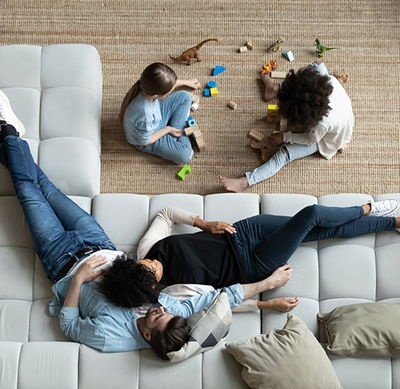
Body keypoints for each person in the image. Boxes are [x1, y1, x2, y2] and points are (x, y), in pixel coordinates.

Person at [0, 90, 297, 357]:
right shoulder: (170, 310)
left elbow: (69, 325)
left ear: (146, 334)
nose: (159, 308)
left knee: (28, 190)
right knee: (46, 187)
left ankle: (9, 132)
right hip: (98, 241)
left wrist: (79, 280)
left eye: (157, 317)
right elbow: (222, 297)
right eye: (164, 312)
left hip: (61, 260)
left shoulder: (110, 336)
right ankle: (8, 138)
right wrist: (267, 286)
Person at [99, 197, 400, 310]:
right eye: (150, 269)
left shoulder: (148, 249)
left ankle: (390, 221)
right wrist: (268, 290)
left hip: (242, 232)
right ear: (151, 286)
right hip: (255, 263)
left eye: (142, 261)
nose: (150, 261)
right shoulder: (173, 295)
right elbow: (220, 301)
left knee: (321, 229)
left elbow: (166, 214)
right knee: (313, 215)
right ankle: (374, 209)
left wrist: (204, 223)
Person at [219, 60, 355, 192]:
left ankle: (244, 182)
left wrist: (285, 136)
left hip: (326, 139)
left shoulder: (322, 124)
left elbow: (310, 140)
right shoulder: (329, 80)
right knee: (317, 65)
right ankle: (273, 88)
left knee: (283, 154)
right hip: (333, 108)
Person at [119, 62, 200, 164]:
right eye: (169, 91)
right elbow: (144, 141)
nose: (171, 91)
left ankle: (174, 136)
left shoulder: (144, 85)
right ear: (156, 95)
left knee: (185, 96)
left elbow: (167, 83)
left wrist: (186, 82)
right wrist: (167, 129)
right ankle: (176, 135)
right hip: (149, 138)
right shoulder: (145, 114)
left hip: (155, 119)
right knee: (186, 155)